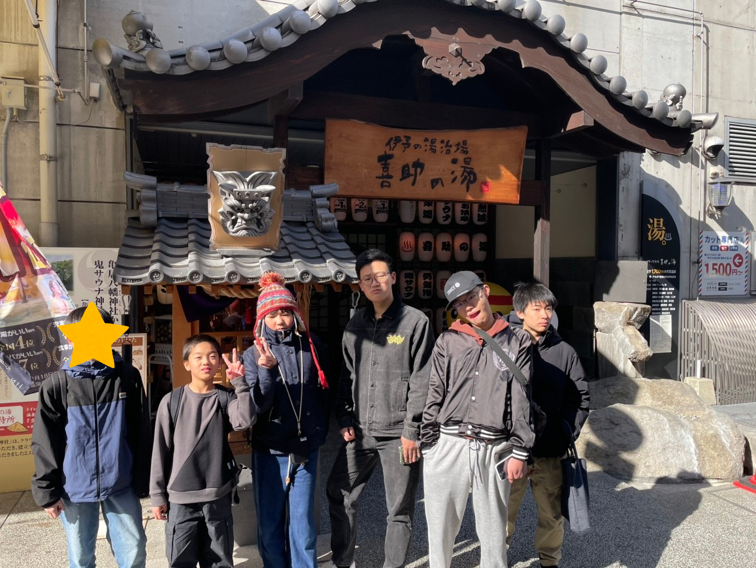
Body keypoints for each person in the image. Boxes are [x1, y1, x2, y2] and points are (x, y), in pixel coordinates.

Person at [326, 249, 435, 568]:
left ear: (393, 278)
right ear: (360, 285)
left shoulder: (415, 322)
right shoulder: (354, 325)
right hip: (360, 431)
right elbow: (346, 375)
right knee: (338, 491)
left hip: (399, 434)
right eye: (367, 278)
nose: (375, 282)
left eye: (380, 275)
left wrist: (412, 431)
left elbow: (422, 379)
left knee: (399, 509)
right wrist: (344, 416)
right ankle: (343, 561)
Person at [421, 271, 535, 568]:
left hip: (493, 446)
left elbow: (521, 398)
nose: (468, 306)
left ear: (485, 291)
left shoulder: (517, 339)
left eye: (471, 297)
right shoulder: (448, 340)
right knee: (440, 529)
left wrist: (520, 450)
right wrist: (429, 444)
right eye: (459, 304)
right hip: (448, 442)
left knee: (494, 531)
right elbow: (434, 391)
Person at [31, 306, 152, 568]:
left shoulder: (127, 377)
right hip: (74, 486)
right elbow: (45, 441)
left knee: (134, 553)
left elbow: (141, 432)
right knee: (81, 558)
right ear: (71, 337)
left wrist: (144, 480)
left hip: (121, 481)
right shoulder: (57, 384)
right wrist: (47, 492)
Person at [241, 272, 331, 568]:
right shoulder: (252, 355)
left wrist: (320, 428)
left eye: (285, 313)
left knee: (303, 523)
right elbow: (258, 405)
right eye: (272, 315)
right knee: (270, 522)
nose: (280, 321)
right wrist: (266, 370)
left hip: (306, 447)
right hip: (270, 449)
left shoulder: (311, 345)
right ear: (261, 319)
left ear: (295, 314)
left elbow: (324, 389)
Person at [150, 334, 255, 568]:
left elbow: (245, 420)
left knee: (219, 561)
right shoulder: (171, 401)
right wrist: (157, 495)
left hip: (217, 495)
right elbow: (160, 451)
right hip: (181, 499)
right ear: (186, 364)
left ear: (219, 362)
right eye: (198, 357)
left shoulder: (225, 397)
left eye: (212, 356)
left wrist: (240, 384)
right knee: (180, 561)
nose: (206, 361)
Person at [505, 282, 590, 568]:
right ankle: (495, 557)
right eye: (537, 309)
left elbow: (580, 397)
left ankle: (550, 561)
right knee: (503, 511)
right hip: (511, 450)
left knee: (552, 514)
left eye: (549, 308)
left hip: (551, 449)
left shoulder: (565, 351)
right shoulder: (503, 345)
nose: (545, 315)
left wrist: (567, 429)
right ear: (520, 312)